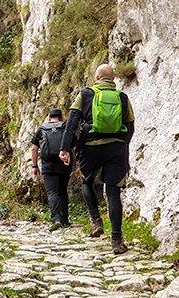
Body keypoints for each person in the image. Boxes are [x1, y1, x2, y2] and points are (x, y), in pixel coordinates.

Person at [59, 64, 135, 254]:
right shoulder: (122, 97)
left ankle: (95, 221)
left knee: (86, 181)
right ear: (113, 79)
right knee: (113, 191)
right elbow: (130, 125)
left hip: (91, 148)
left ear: (97, 77)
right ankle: (117, 240)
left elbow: (72, 123)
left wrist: (65, 148)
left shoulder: (85, 94)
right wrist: (122, 146)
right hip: (116, 148)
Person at [31, 108, 72, 231]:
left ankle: (56, 219)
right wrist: (76, 166)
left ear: (49, 117)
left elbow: (34, 148)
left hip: (48, 166)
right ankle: (65, 220)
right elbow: (73, 148)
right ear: (61, 116)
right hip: (65, 164)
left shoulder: (42, 129)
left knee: (52, 193)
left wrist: (34, 166)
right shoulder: (65, 128)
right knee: (63, 191)